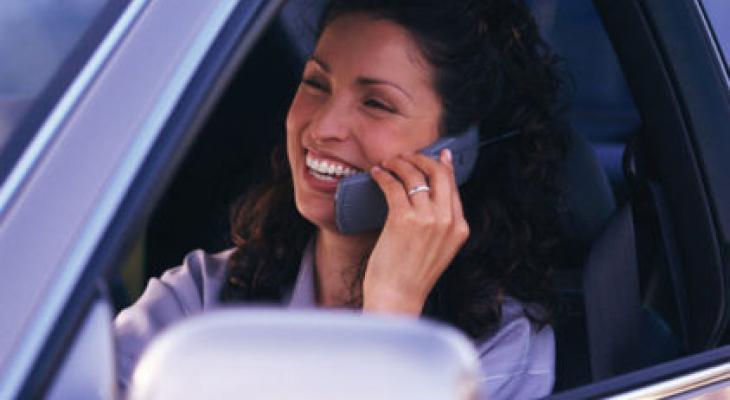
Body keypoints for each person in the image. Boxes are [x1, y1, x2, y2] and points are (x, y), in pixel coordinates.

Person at [114, 0, 569, 398]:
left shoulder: (500, 348)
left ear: (459, 155)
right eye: (316, 83)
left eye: (377, 103)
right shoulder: (202, 297)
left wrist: (391, 313)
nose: (322, 127)